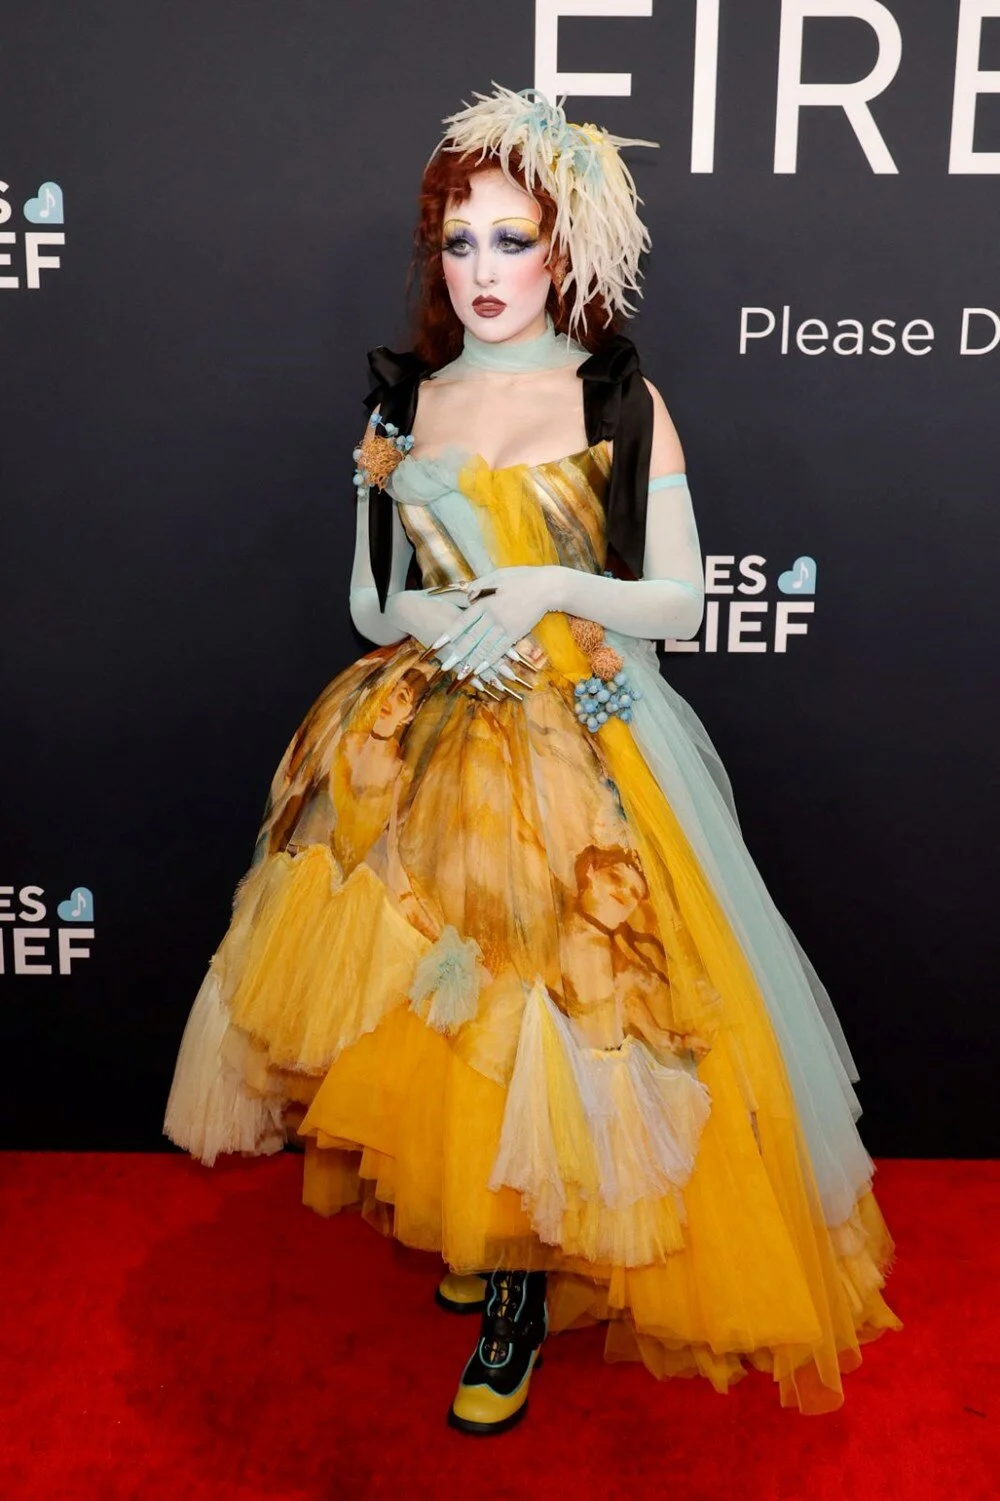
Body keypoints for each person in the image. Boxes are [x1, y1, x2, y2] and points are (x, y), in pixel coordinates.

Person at [165, 84, 900, 1434]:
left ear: (568, 251)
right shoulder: (406, 400)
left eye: (514, 239)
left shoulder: (621, 396)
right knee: (436, 1001)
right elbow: (369, 600)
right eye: (460, 242)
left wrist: (545, 592)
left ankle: (521, 1287)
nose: (484, 270)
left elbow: (680, 603)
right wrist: (440, 614)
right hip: (422, 734)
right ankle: (481, 1224)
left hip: (581, 739)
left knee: (560, 1002)